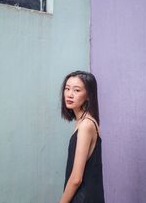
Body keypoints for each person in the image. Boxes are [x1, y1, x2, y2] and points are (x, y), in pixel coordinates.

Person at [59, 71, 105, 203]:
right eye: (67, 88)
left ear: (88, 96)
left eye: (77, 90)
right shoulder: (84, 121)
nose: (69, 94)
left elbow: (76, 178)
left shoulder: (86, 125)